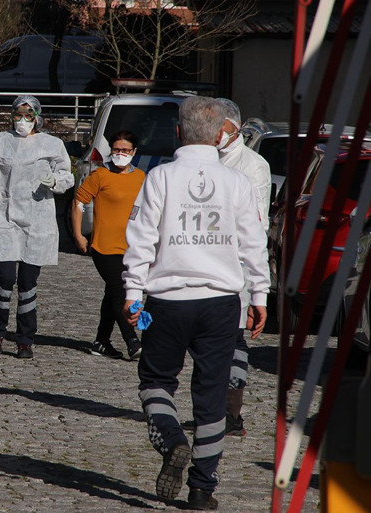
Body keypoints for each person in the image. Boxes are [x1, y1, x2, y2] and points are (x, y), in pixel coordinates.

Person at [121, 96, 270, 510]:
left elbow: (140, 239)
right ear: (220, 134)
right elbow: (254, 243)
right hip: (222, 303)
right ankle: (203, 488)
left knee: (155, 381)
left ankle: (171, 441)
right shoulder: (237, 183)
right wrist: (259, 295)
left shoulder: (160, 176)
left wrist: (134, 292)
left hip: (168, 300)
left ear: (178, 132)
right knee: (210, 396)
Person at [0, 95, 74, 359]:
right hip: (4, 218)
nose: (22, 120)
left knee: (28, 283)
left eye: (28, 115)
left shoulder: (51, 144)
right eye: (18, 114)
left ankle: (25, 339)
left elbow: (67, 176)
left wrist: (55, 181)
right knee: (5, 278)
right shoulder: (0, 142)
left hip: (36, 222)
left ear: (38, 118)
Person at [216, 97, 272, 437]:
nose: (214, 134)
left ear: (234, 127)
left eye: (219, 127)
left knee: (234, 340)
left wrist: (255, 286)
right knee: (209, 342)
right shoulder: (206, 159)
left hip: (236, 265)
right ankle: (210, 410)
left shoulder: (253, 166)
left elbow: (257, 226)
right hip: (206, 263)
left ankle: (232, 415)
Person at [71, 130, 145, 360]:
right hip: (104, 247)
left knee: (112, 293)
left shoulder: (142, 177)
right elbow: (78, 202)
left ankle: (101, 341)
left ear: (133, 152)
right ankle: (132, 340)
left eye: (125, 150)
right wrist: (79, 235)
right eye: (116, 150)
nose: (120, 154)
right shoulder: (100, 176)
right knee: (119, 291)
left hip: (132, 248)